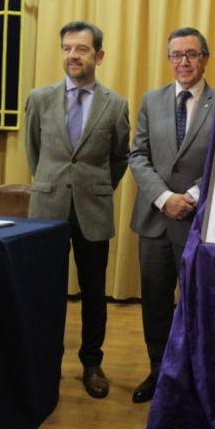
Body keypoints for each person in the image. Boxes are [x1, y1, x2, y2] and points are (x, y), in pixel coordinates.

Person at [25, 20, 130, 400]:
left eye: (82, 49)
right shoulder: (39, 98)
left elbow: (120, 157)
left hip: (94, 208)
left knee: (94, 291)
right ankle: (45, 360)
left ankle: (92, 363)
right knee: (46, 289)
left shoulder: (116, 105)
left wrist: (97, 188)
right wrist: (52, 182)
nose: (73, 55)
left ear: (98, 56)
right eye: (67, 48)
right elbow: (33, 151)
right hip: (47, 206)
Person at [128, 27, 215, 403]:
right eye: (176, 55)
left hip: (197, 221)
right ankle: (158, 372)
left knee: (198, 303)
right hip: (155, 220)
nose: (183, 62)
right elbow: (138, 156)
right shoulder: (152, 100)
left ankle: (195, 379)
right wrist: (164, 197)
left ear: (205, 58)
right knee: (155, 301)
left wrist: (192, 196)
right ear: (168, 60)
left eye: (191, 54)